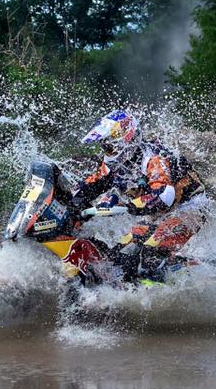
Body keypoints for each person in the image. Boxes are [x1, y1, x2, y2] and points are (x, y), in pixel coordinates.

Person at [73, 109, 208, 284]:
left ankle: (171, 288)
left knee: (149, 254)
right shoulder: (115, 165)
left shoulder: (153, 158)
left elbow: (164, 195)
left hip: (190, 210)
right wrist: (72, 205)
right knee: (119, 254)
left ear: (126, 141)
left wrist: (127, 206)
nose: (107, 152)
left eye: (109, 146)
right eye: (105, 147)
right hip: (160, 216)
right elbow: (90, 185)